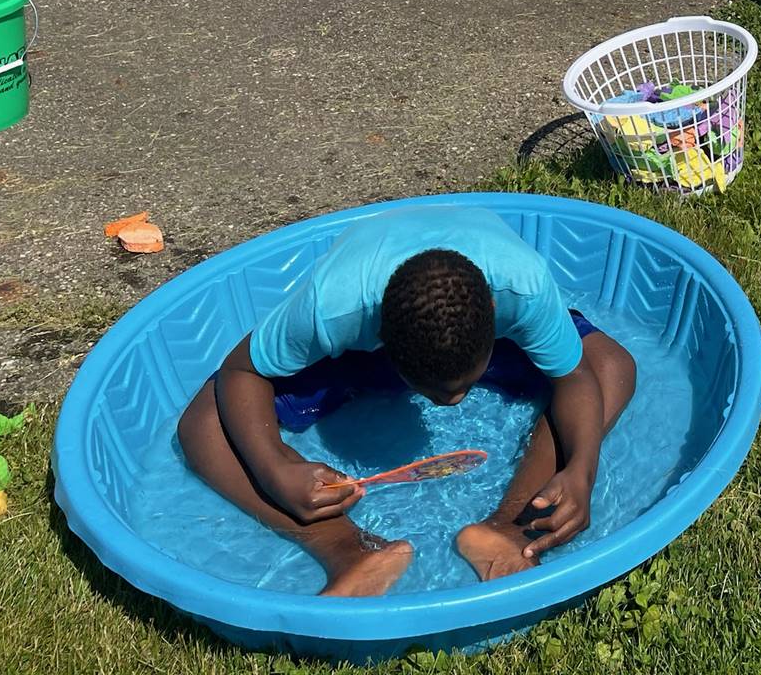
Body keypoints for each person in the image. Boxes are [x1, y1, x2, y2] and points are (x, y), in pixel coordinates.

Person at [176, 207, 637, 596]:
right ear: (382, 341)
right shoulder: (331, 307)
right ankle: (348, 551)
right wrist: (274, 466)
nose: (452, 403)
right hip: (369, 344)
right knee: (204, 424)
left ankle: (509, 529)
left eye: (462, 385)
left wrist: (581, 469)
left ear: (494, 316)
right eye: (435, 391)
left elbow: (575, 375)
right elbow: (240, 371)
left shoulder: (522, 287)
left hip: (473, 337)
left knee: (610, 366)